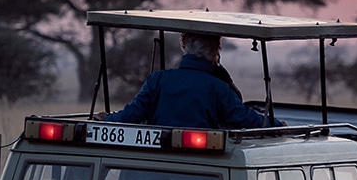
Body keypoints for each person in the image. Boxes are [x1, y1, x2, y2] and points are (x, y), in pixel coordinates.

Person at [101, 32, 281, 129]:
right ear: (215, 53)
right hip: (202, 168)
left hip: (156, 167)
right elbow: (243, 117)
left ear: (184, 47)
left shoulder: (157, 80)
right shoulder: (218, 87)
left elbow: (132, 114)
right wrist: (277, 125)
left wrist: (106, 120)